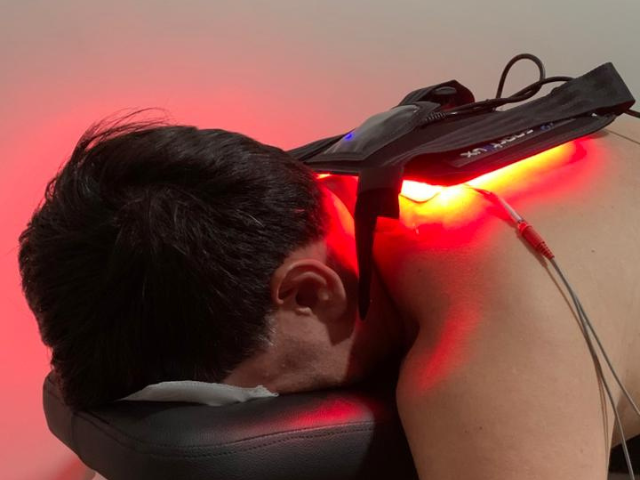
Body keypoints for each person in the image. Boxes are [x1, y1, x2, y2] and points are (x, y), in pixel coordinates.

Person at [18, 115, 640, 480]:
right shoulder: (302, 187)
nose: (261, 406)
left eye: (253, 394)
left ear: (309, 293)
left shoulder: (489, 357)